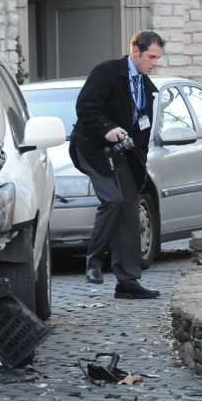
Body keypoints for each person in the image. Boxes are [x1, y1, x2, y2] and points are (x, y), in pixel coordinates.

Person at [68, 30, 165, 299]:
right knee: (113, 200)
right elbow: (86, 107)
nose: (154, 63)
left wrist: (139, 168)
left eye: (158, 58)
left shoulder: (146, 88)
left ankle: (128, 282)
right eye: (151, 56)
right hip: (93, 149)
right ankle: (93, 261)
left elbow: (142, 134)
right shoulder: (107, 72)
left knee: (130, 211)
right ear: (135, 50)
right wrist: (106, 128)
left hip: (124, 156)